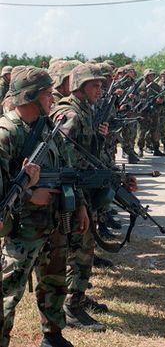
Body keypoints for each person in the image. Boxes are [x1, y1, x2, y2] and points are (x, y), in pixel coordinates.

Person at [0, 66, 89, 347]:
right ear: (30, 97)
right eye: (48, 94)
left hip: (53, 222)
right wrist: (29, 195)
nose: (52, 99)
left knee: (54, 280)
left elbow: (67, 167)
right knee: (8, 290)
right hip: (22, 227)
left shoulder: (47, 127)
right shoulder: (7, 134)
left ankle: (52, 335)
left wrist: (81, 205)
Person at [51, 63, 109, 332]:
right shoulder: (71, 114)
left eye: (101, 84)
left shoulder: (85, 111)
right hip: (73, 194)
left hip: (83, 190)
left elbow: (86, 154)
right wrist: (79, 203)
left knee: (83, 249)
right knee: (80, 250)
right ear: (79, 87)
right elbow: (65, 163)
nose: (100, 89)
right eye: (94, 85)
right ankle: (71, 309)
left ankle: (78, 298)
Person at [137, 69, 165, 157]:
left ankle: (156, 148)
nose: (152, 77)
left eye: (153, 75)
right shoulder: (141, 86)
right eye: (150, 75)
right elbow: (137, 99)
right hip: (144, 112)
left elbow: (162, 97)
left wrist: (160, 101)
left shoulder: (156, 86)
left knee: (155, 131)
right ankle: (140, 149)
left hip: (154, 111)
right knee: (142, 131)